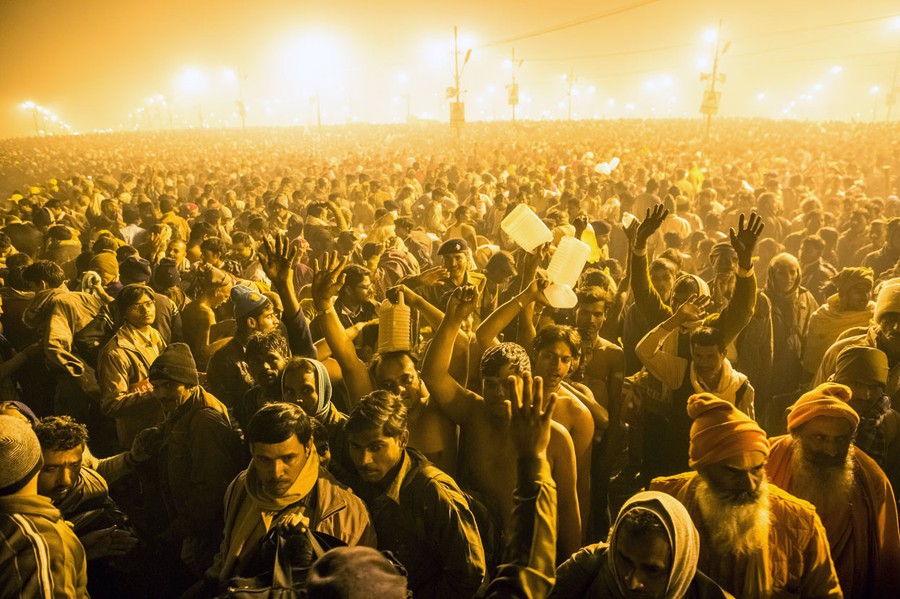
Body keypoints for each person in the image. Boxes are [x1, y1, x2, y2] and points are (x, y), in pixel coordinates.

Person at [423, 284, 582, 562]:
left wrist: (570, 567)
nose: (498, 393)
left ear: (528, 383)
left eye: (508, 385)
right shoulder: (474, 412)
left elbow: (568, 506)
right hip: (474, 548)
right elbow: (434, 376)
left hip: (528, 555)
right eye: (491, 385)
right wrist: (453, 319)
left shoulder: (553, 436)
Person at [650, 393, 841, 597]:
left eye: (757, 469)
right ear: (703, 469)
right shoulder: (665, 500)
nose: (750, 485)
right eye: (733, 471)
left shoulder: (800, 521)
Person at [205, 402, 376, 589]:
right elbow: (225, 553)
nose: (276, 472)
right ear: (252, 451)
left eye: (288, 458)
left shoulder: (342, 510)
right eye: (264, 460)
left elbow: (356, 587)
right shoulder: (241, 487)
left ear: (309, 446)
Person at [342, 390, 487, 598]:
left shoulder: (434, 491)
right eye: (356, 446)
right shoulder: (369, 481)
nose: (364, 460)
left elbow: (469, 573)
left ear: (402, 439)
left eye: (376, 447)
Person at [766, 383, 900, 598]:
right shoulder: (767, 459)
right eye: (820, 438)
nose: (831, 450)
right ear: (797, 435)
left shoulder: (872, 479)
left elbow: (888, 561)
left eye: (840, 440)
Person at [148, 343, 247, 575]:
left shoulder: (204, 421)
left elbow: (210, 490)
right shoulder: (186, 407)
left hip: (206, 534)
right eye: (156, 387)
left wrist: (179, 533)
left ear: (190, 384)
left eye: (169, 386)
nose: (161, 394)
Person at [636, 296, 754, 482]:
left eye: (710, 357)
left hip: (723, 467)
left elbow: (748, 433)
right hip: (681, 465)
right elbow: (643, 351)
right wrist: (676, 319)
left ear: (724, 354)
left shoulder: (741, 387)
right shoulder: (680, 372)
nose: (704, 363)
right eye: (698, 356)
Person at [550, 490, 728, 598]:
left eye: (651, 569)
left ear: (679, 567)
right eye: (624, 560)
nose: (632, 582)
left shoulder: (706, 595)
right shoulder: (584, 571)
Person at [0, 414, 88, 597]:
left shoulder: (86, 492)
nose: (65, 480)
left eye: (74, 466)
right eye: (51, 469)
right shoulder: (39, 545)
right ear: (32, 461)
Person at [829, 345, 900, 499]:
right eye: (857, 384)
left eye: (874, 387)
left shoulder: (893, 425)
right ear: (839, 381)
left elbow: (890, 488)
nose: (865, 395)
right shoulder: (809, 414)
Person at [206, 285, 279, 409]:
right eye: (268, 316)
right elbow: (225, 410)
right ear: (251, 322)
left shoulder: (273, 348)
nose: (275, 321)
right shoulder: (224, 360)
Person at [802, 267, 874, 377]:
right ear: (844, 293)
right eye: (858, 291)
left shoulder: (875, 317)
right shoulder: (822, 318)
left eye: (868, 290)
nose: (865, 296)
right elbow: (812, 363)